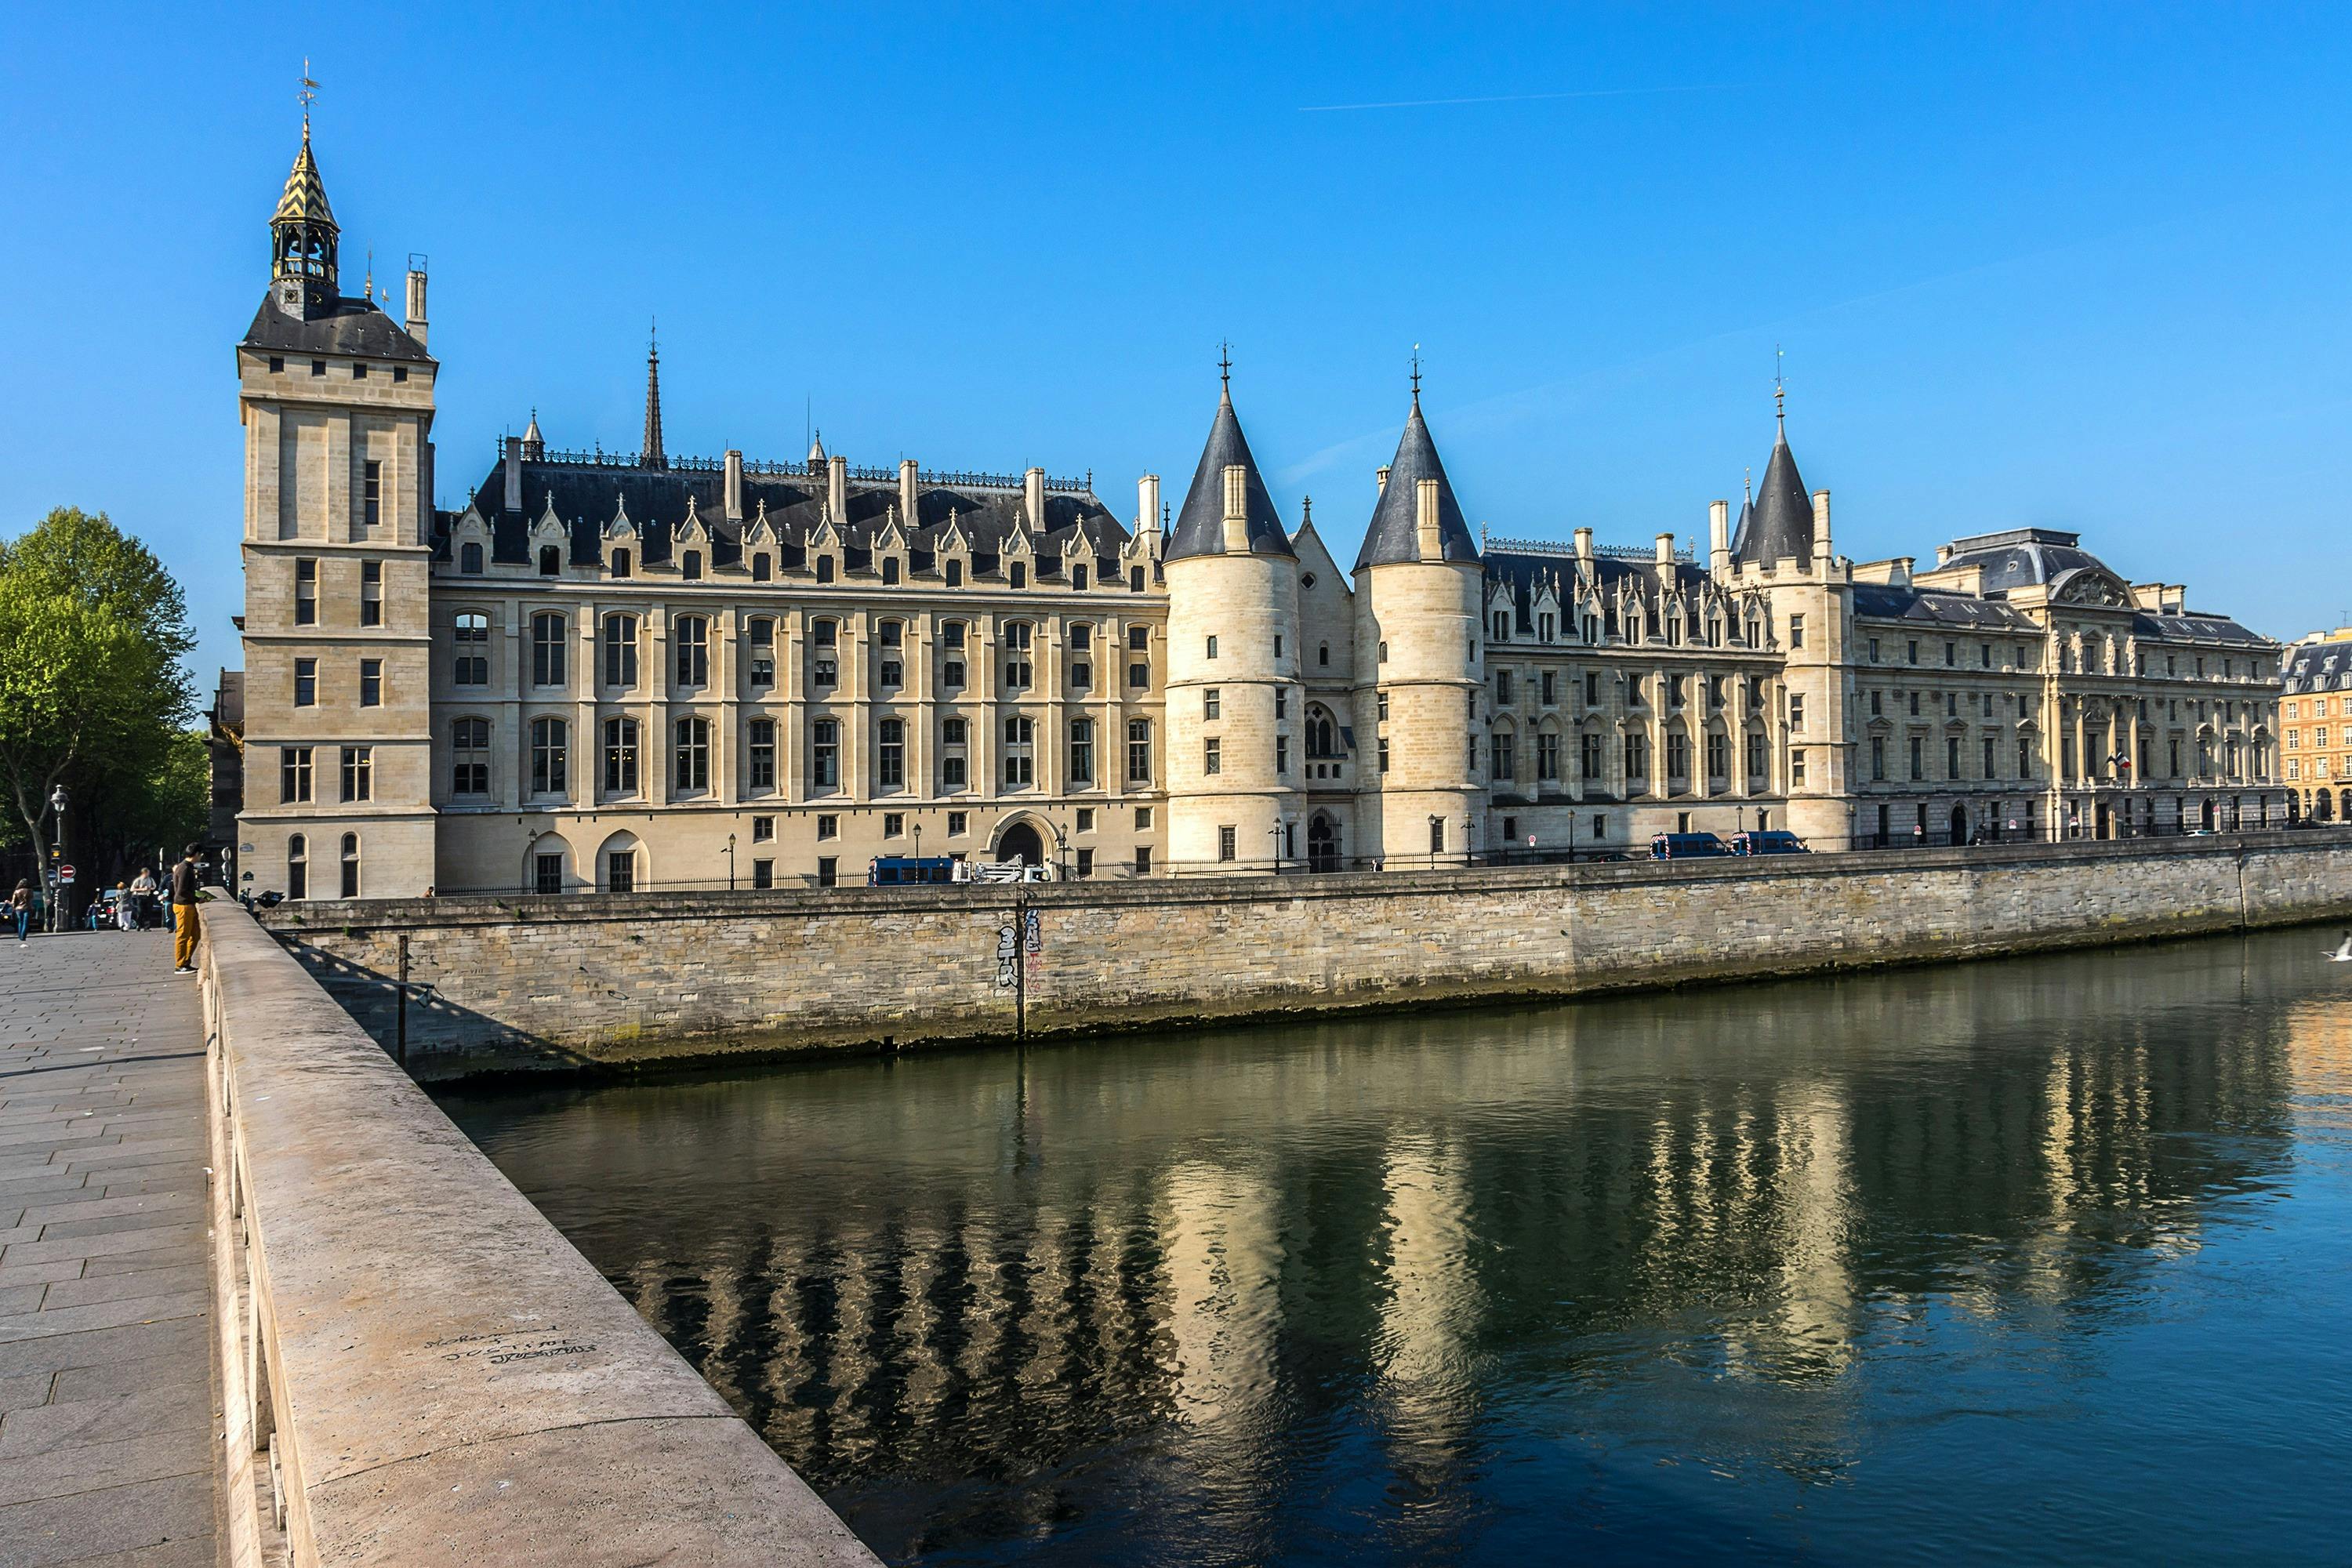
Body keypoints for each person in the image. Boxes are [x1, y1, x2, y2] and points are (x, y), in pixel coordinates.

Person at [169, 844, 203, 975]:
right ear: (196, 854)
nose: (200, 857)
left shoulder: (185, 867)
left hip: (188, 905)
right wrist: (197, 899)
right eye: (200, 855)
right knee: (183, 936)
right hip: (183, 906)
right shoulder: (184, 869)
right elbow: (181, 891)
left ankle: (186, 962)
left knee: (195, 935)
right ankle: (180, 965)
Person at [9, 880, 30, 945]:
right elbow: (31, 900)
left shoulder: (16, 891)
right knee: (25, 922)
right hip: (27, 908)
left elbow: (13, 902)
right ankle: (23, 936)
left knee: (20, 922)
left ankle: (20, 936)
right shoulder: (30, 891)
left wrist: (14, 907)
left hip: (19, 909)